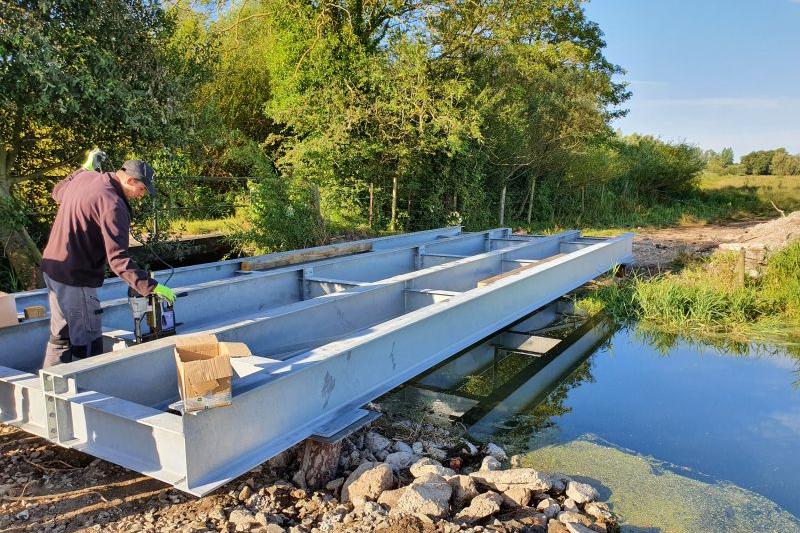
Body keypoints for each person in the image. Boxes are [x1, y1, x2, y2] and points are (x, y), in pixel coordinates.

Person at [39, 151, 176, 368]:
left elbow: (57, 192)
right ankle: (87, 393)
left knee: (61, 336)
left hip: (53, 269)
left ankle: (49, 390)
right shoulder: (114, 205)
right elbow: (118, 260)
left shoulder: (86, 177)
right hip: (77, 278)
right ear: (130, 180)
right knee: (88, 341)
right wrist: (150, 286)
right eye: (141, 189)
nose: (141, 196)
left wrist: (83, 168)